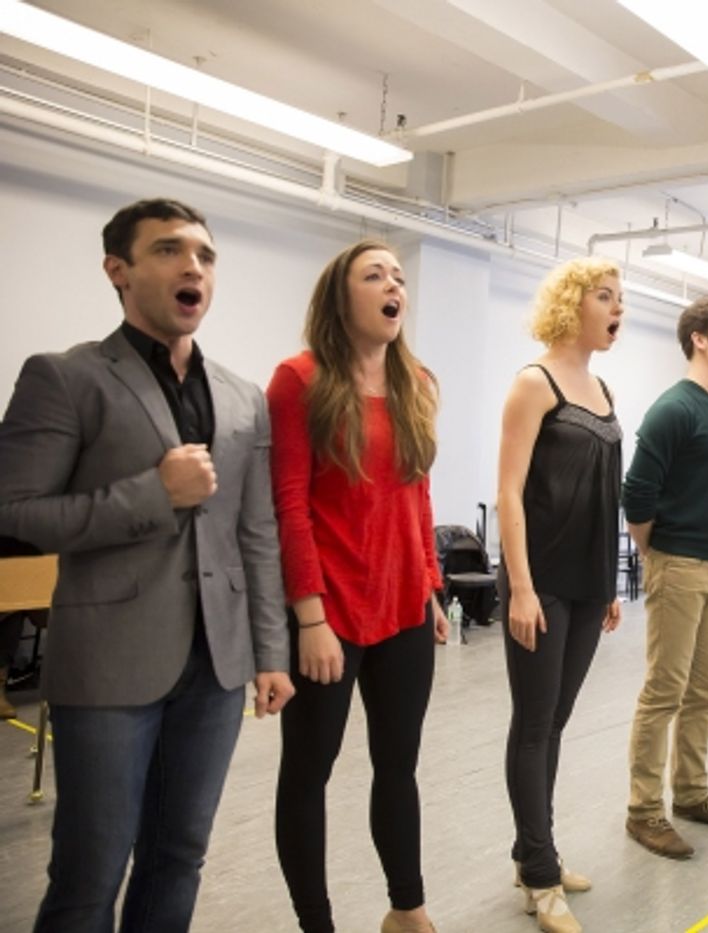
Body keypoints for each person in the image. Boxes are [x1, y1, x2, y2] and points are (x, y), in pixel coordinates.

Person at [0, 197, 293, 930]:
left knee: (180, 854)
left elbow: (257, 531)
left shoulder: (243, 398)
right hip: (108, 664)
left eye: (204, 254)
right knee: (90, 869)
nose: (192, 265)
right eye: (168, 250)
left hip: (218, 666)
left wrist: (270, 649)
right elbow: (14, 512)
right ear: (118, 271)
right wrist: (151, 494)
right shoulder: (65, 376)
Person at [269, 241, 447, 933]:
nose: (392, 283)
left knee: (397, 766)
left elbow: (418, 496)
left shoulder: (418, 381)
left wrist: (430, 586)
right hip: (330, 610)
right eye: (373, 274)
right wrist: (308, 617)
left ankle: (408, 907)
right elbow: (288, 502)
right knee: (309, 771)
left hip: (404, 607)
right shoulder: (299, 378)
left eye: (399, 275)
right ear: (340, 298)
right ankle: (318, 923)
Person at [496, 258, 625, 932]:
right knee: (533, 721)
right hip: (540, 579)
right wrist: (520, 586)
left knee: (556, 723)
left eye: (620, 298)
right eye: (605, 296)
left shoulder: (601, 386)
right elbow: (509, 492)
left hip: (585, 581)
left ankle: (531, 853)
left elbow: (608, 494)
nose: (617, 308)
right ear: (571, 304)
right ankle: (541, 877)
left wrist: (607, 582)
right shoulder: (533, 382)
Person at [622, 296, 708, 860]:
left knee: (703, 690)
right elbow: (636, 495)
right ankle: (644, 811)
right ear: (699, 339)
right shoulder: (674, 409)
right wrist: (659, 556)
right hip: (679, 565)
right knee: (664, 693)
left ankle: (693, 792)